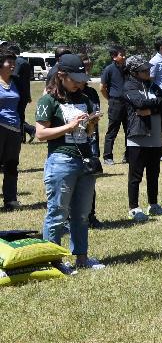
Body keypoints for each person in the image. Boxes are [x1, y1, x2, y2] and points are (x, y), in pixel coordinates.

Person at [35, 54, 104, 273]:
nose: (79, 83)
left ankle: (81, 258)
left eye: (81, 79)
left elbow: (84, 132)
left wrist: (90, 123)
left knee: (82, 214)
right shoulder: (48, 99)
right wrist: (70, 126)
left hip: (84, 161)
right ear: (61, 75)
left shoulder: (82, 97)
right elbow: (40, 133)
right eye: (74, 79)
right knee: (57, 213)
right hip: (61, 161)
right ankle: (52, 261)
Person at [123, 55, 162, 222]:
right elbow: (139, 103)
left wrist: (152, 110)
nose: (148, 71)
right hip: (138, 136)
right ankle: (134, 208)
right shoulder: (129, 86)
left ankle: (153, 204)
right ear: (134, 72)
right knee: (135, 175)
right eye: (144, 69)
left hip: (156, 135)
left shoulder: (152, 85)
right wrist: (155, 104)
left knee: (154, 173)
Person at [79, 53, 103, 228]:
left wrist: (92, 119)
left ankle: (90, 215)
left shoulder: (91, 92)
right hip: (74, 142)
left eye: (89, 67)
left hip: (91, 140)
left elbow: (96, 113)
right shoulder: (67, 93)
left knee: (90, 180)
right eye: (84, 67)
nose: (87, 70)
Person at [0, 48, 22, 211]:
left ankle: (10, 199)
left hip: (14, 129)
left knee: (12, 164)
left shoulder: (16, 82)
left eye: (14, 62)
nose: (13, 65)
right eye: (10, 62)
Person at [100, 45, 128, 165]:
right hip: (115, 103)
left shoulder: (127, 69)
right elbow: (102, 88)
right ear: (114, 57)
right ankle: (107, 156)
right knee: (112, 131)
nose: (124, 56)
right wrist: (110, 99)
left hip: (128, 103)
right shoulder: (109, 69)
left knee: (130, 130)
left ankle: (128, 156)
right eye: (122, 54)